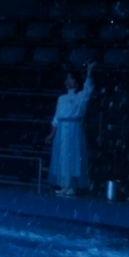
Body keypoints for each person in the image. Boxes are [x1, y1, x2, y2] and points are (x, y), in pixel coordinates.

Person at [48, 63, 95, 197]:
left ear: (74, 81)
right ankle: (64, 184)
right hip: (63, 130)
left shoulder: (80, 96)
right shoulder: (62, 98)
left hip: (74, 129)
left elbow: (88, 90)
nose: (66, 80)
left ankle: (71, 185)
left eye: (69, 78)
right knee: (62, 157)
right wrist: (52, 134)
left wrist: (89, 72)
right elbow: (56, 118)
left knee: (73, 156)